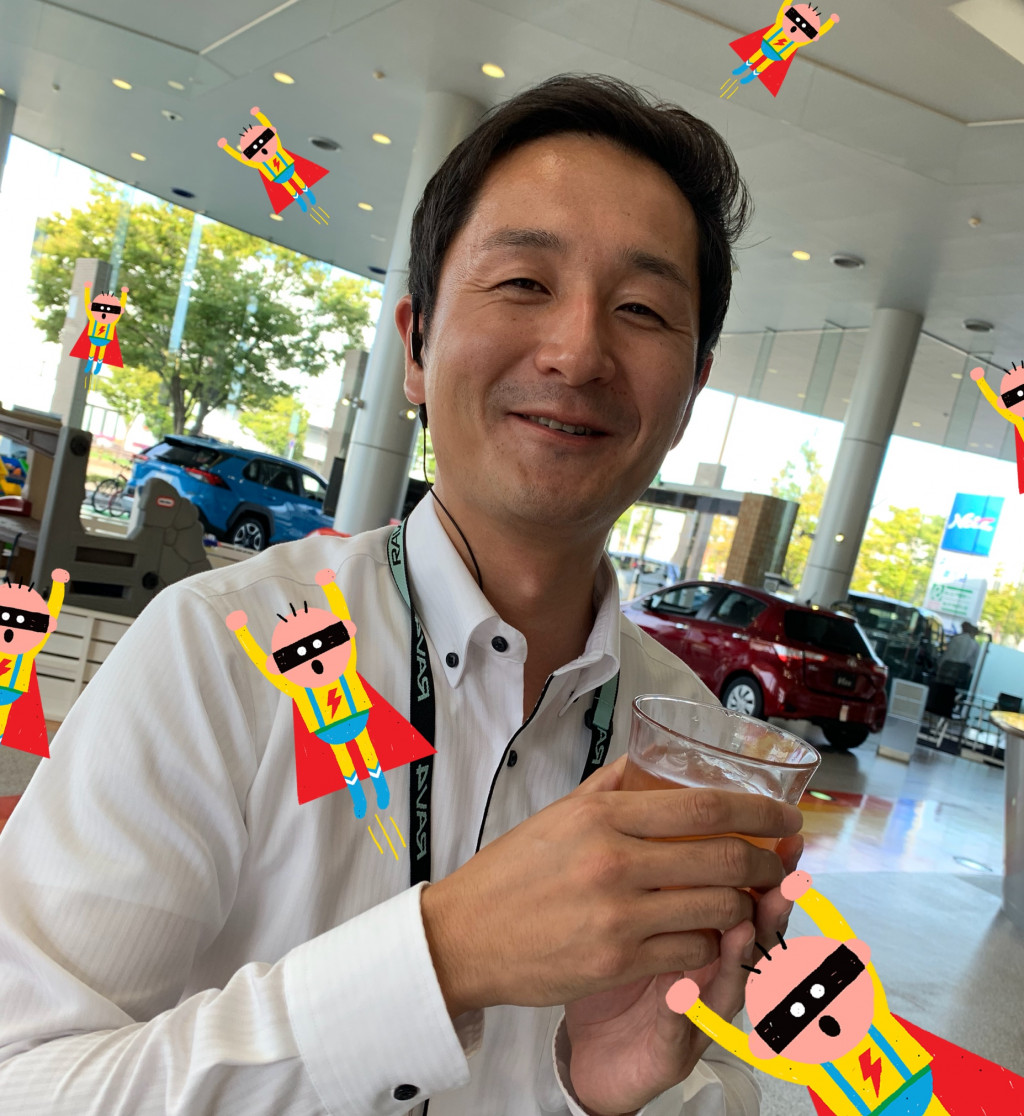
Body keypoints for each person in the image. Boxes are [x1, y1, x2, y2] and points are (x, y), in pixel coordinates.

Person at [0, 74, 804, 1115]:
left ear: (691, 394)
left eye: (643, 310)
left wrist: (606, 1097)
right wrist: (440, 958)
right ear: (415, 346)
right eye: (523, 282)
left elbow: (725, 1081)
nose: (576, 351)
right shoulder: (221, 649)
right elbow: (24, 1078)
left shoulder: (687, 745)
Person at [935, 621, 979, 690]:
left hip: (949, 666)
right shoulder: (974, 644)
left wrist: (939, 664)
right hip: (963, 670)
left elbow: (948, 654)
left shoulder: (956, 639)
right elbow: (973, 660)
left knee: (943, 688)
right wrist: (971, 671)